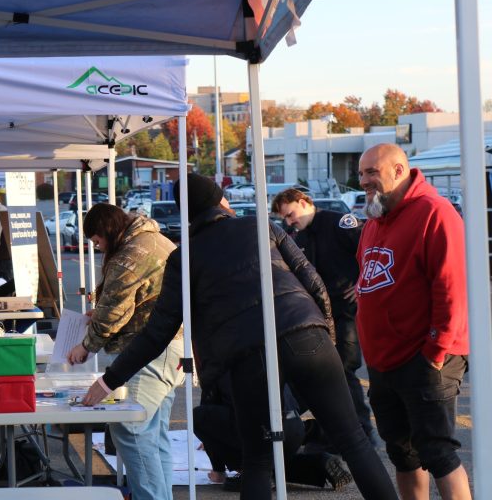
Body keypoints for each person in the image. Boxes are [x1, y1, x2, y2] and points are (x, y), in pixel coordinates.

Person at [81, 174, 398, 500]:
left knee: (257, 460)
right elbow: (314, 283)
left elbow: (157, 332)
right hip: (308, 335)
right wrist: (327, 337)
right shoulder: (261, 227)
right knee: (355, 441)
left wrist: (109, 380)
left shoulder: (184, 257)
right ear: (220, 201)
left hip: (248, 357)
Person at [356, 143, 470, 500]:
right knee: (402, 455)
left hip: (426, 356)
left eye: (372, 172)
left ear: (399, 170)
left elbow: (451, 287)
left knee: (437, 452)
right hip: (382, 361)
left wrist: (435, 349)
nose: (364, 181)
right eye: (360, 174)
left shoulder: (435, 213)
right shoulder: (374, 220)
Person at [66, 203, 183, 500]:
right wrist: (103, 313)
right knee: (153, 434)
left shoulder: (131, 253)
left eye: (96, 241)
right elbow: (137, 300)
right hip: (170, 347)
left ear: (106, 231)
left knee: (130, 430)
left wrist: (86, 346)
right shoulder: (151, 239)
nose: (97, 248)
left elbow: (115, 307)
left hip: (150, 350)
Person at [272, 188, 375, 443]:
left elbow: (372, 249)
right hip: (319, 316)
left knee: (344, 370)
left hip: (347, 313)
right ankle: (333, 431)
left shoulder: (338, 222)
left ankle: (362, 433)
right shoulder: (297, 237)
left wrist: (361, 281)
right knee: (320, 372)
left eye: (291, 214)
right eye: (284, 219)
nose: (289, 222)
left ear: (304, 202)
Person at [194, 377, 353, 492]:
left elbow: (206, 408)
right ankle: (318, 463)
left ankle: (249, 472)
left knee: (197, 417)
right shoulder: (265, 347)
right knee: (271, 460)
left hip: (261, 432)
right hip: (292, 427)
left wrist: (218, 469)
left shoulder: (218, 360)